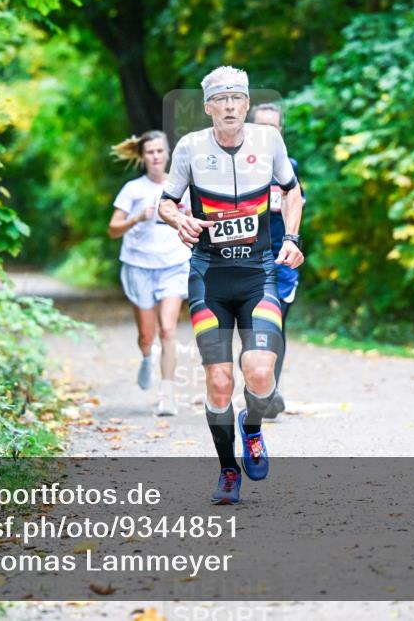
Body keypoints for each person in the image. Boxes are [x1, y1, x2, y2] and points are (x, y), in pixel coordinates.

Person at [158, 66, 304, 504]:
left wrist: (293, 238)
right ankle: (227, 469)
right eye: (220, 100)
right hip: (209, 277)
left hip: (259, 273)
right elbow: (165, 202)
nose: (229, 106)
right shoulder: (189, 148)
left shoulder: (269, 141)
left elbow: (292, 191)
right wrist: (180, 218)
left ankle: (253, 428)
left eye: (236, 98)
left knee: (260, 375)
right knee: (219, 383)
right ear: (208, 108)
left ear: (245, 104)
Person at [108, 130, 191, 416]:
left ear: (168, 153)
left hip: (173, 264)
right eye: (150, 152)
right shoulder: (133, 190)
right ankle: (146, 356)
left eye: (160, 151)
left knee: (168, 328)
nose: (156, 156)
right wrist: (136, 218)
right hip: (139, 266)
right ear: (143, 157)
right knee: (147, 335)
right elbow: (112, 229)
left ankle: (167, 395)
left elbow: (194, 219)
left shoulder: (182, 186)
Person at [249, 103, 305, 418]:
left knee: (276, 327)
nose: (268, 132)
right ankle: (262, 389)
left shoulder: (290, 167)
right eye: (262, 126)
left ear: (280, 132)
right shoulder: (238, 167)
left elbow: (295, 206)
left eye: (274, 126)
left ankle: (269, 393)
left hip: (281, 259)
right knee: (254, 328)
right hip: (248, 259)